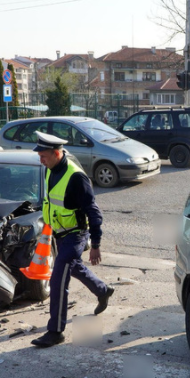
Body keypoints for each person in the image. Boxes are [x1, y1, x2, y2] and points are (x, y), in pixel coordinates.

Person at [30, 131, 115, 348]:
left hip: (76, 235)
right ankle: (103, 290)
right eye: (39, 155)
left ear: (57, 153)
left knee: (58, 276)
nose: (40, 159)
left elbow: (94, 213)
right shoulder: (49, 170)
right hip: (59, 234)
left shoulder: (76, 177)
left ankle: (55, 331)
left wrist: (95, 245)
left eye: (44, 155)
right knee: (73, 267)